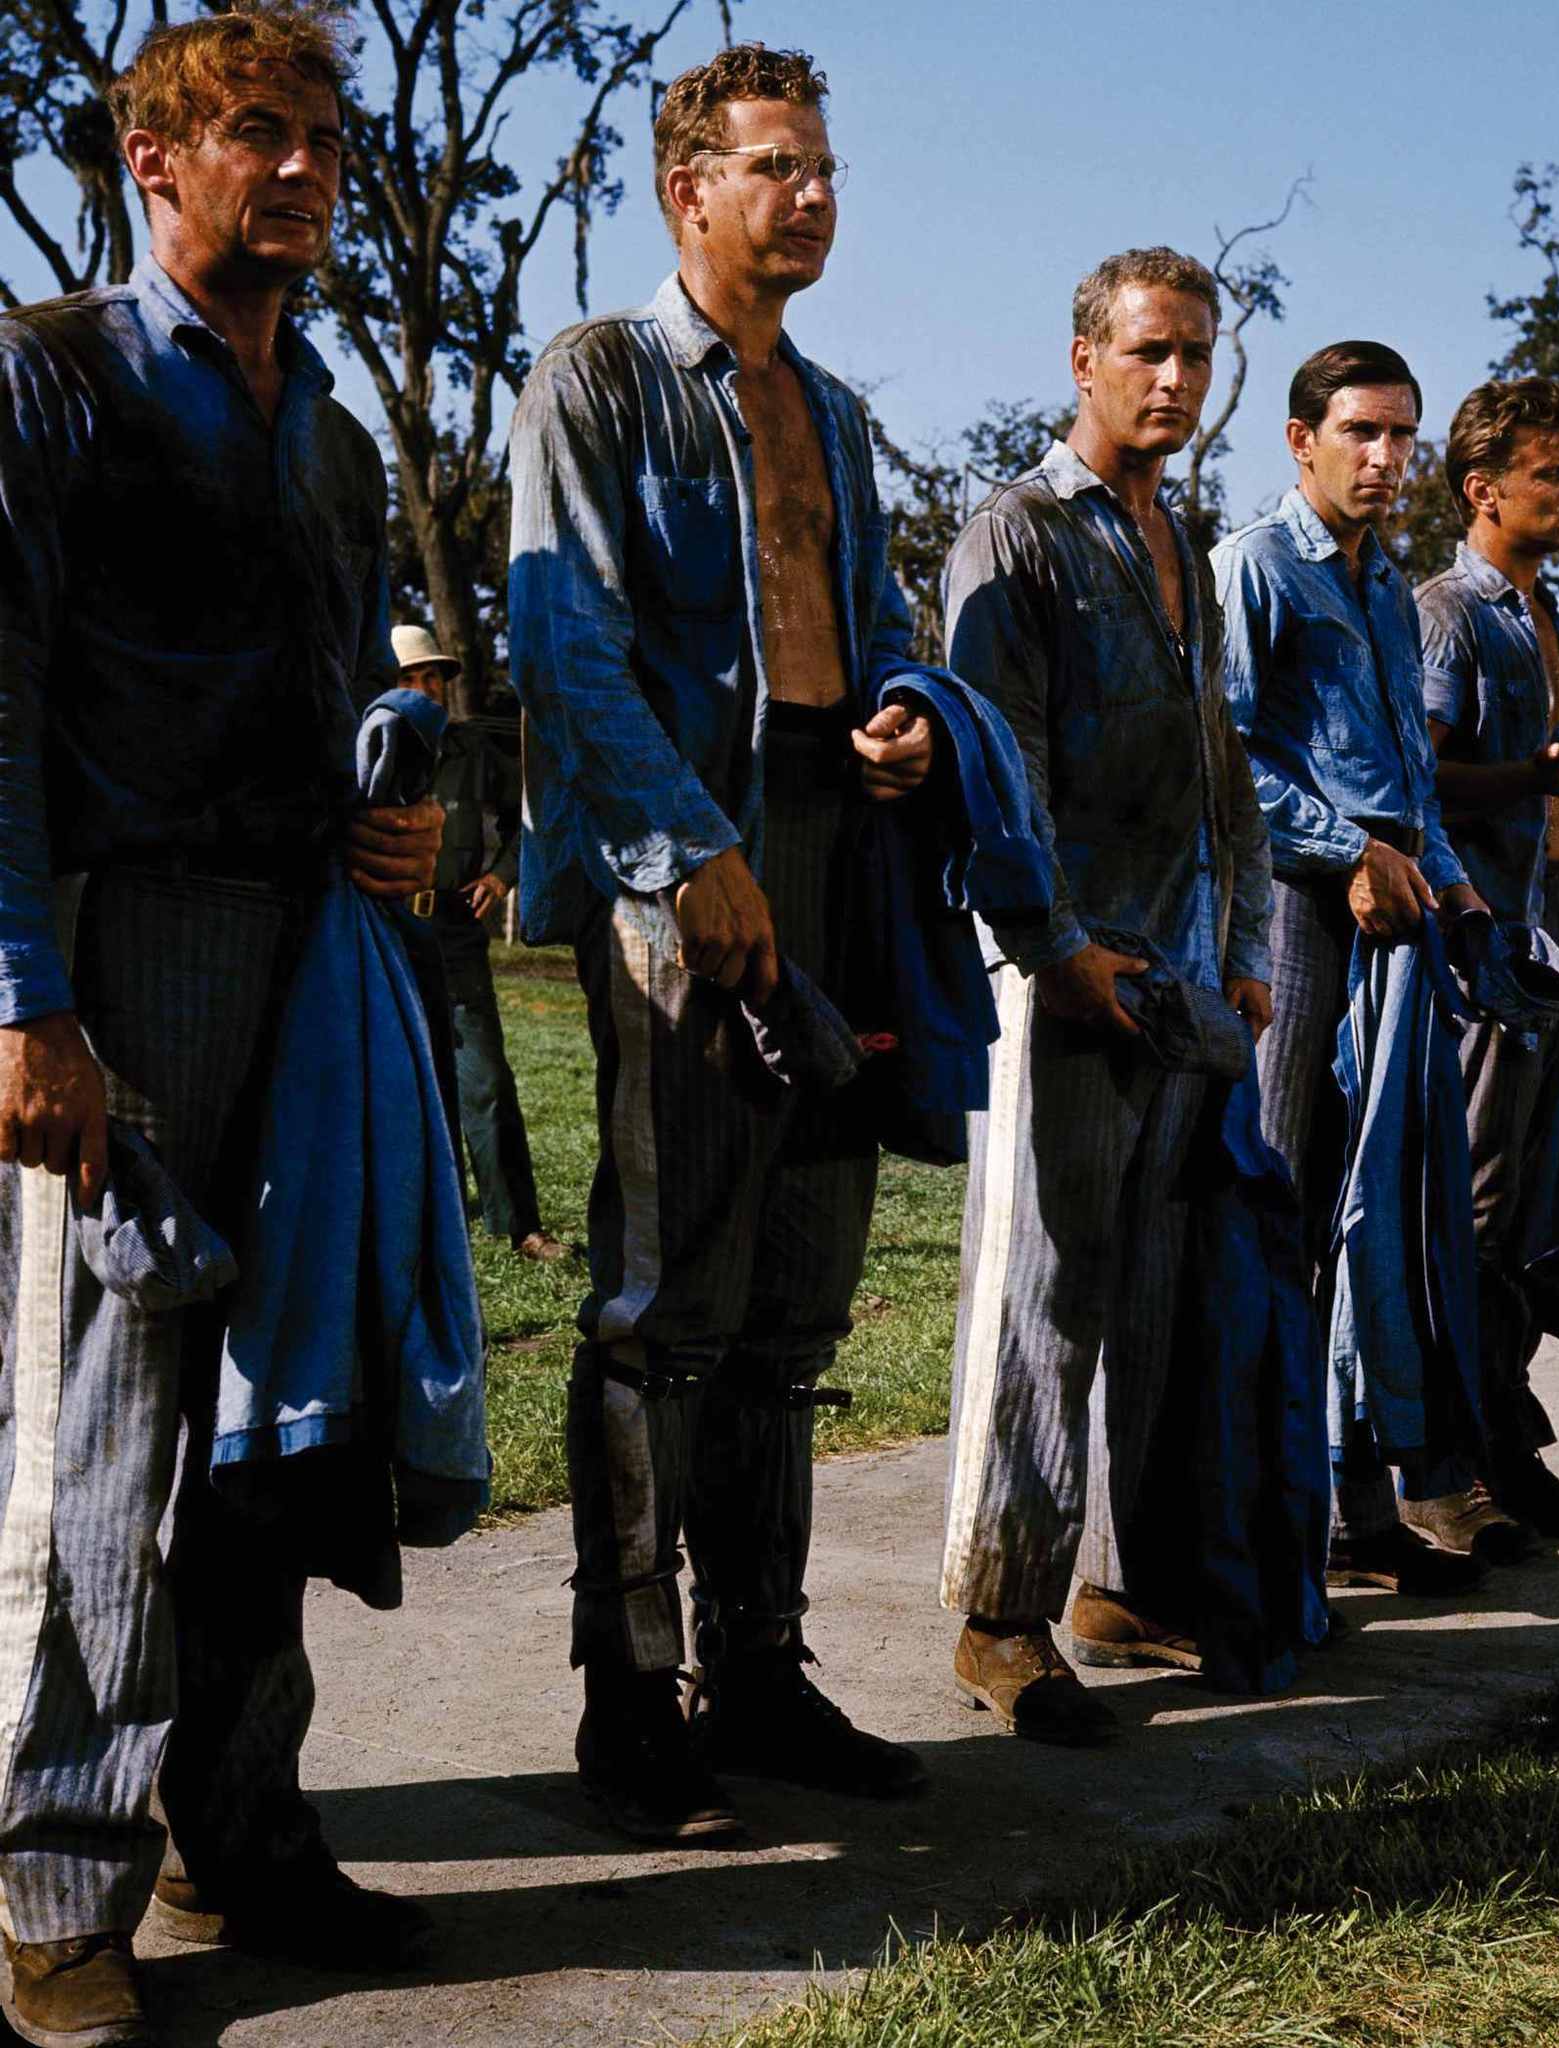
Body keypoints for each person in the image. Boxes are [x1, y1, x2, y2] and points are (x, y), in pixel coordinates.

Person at [0, 9, 445, 2040]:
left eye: (323, 143)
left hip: (312, 965)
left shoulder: (337, 434)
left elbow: (344, 675)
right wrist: (26, 1001)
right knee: (123, 1422)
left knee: (287, 1416)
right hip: (134, 945)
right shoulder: (53, 376)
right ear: (148, 155)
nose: (298, 172)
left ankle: (239, 1832)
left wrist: (405, 793)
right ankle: (59, 1880)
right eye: (253, 136)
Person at [509, 43, 948, 1841]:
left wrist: (912, 711)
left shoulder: (833, 409)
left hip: (839, 851)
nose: (816, 197)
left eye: (828, 167)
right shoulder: (597, 376)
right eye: (781, 168)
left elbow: (889, 616)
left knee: (793, 1299)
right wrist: (688, 851)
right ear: (689, 186)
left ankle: (757, 1669)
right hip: (684, 860)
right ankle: (631, 1700)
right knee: (661, 1303)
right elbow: (571, 646)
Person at [940, 247, 1274, 1743]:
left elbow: (1224, 775)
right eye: (1149, 351)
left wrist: (1250, 947)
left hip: (1187, 980)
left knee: (1156, 1293)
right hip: (1064, 977)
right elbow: (990, 771)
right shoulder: (1013, 538)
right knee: (1049, 1293)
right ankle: (1000, 1619)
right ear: (1082, 359)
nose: (1176, 380)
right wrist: (1054, 948)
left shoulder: (1178, 545)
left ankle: (1120, 1586)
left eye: (1197, 355)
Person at [1213, 342, 1505, 1591]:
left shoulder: (1388, 585)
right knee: (1277, 1202)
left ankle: (1356, 1506)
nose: (1385, 460)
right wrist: (1347, 852)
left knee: (1370, 1214)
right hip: (1292, 914)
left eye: (1401, 436)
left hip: (1394, 925)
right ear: (1300, 439)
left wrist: (1443, 871)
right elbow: (1226, 757)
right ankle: (1263, 1519)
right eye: (1361, 434)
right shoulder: (1253, 566)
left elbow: (1405, 770)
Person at [1416, 377, 1559, 1543]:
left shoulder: (1545, 615)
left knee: (1533, 1209)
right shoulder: (1447, 613)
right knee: (1478, 1201)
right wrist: (1539, 774)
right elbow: (1423, 777)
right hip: (1489, 943)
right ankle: (1450, 1462)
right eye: (1548, 473)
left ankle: (1506, 1443)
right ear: (1482, 490)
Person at [390, 624, 568, 1265]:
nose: (422, 689)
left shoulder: (472, 751)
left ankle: (519, 1226)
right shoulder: (369, 752)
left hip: (456, 935)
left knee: (485, 1079)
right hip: (384, 935)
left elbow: (534, 810)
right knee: (399, 1085)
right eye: (407, 679)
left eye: (431, 677)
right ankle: (420, 1230)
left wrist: (502, 875)